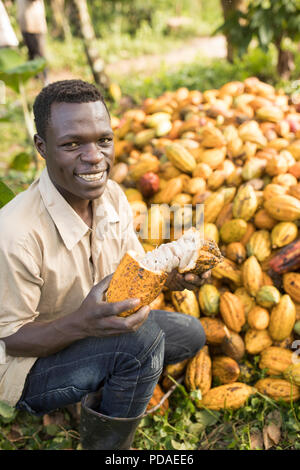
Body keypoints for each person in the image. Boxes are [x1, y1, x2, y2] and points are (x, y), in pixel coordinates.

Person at [0, 80, 207, 450]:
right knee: (140, 345)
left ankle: (99, 389)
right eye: (72, 144)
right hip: (26, 368)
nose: (95, 156)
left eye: (103, 140)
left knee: (190, 333)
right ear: (41, 148)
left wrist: (174, 275)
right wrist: (82, 323)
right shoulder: (15, 232)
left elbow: (128, 273)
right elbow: (11, 340)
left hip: (87, 331)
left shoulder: (110, 195)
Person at [16, 0, 48, 82]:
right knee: (31, 54)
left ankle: (45, 79)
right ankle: (36, 78)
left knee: (40, 54)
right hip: (25, 25)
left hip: (36, 25)